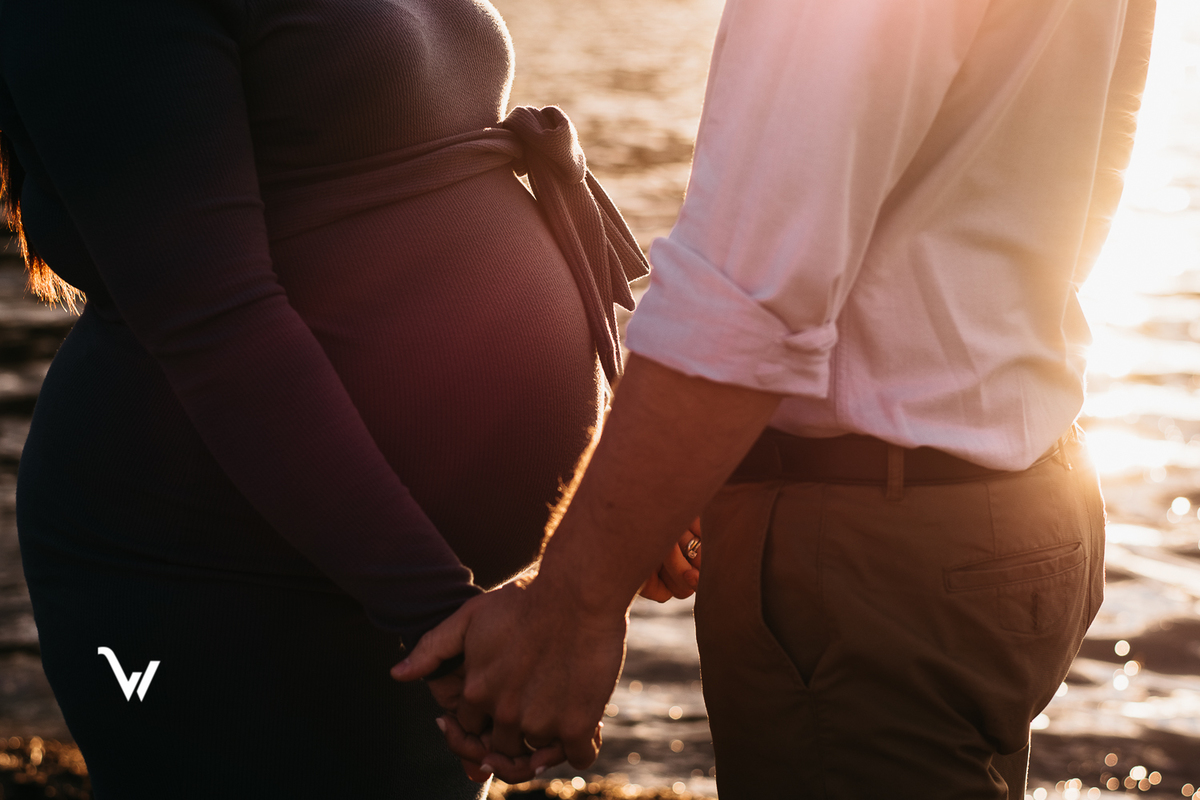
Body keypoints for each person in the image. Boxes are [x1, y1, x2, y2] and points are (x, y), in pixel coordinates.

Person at [394, 0, 1157, 796]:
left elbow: (744, 294)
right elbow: (1095, 154)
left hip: (870, 558)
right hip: (1018, 502)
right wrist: (696, 463)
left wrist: (573, 604)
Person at [0, 0, 651, 797]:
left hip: (397, 579)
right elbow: (213, 320)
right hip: (217, 575)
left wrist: (621, 491)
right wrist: (434, 612)